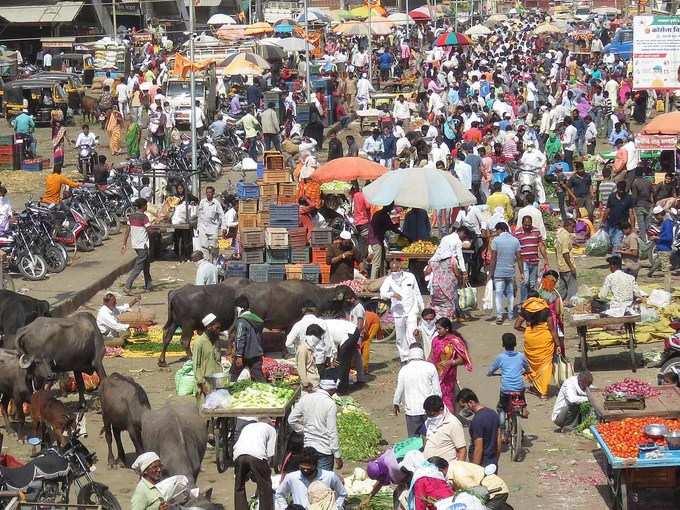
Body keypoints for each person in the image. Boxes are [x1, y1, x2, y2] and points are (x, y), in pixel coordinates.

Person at [288, 381, 343, 472]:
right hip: (324, 449)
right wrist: (337, 455)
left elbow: (291, 420)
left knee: (309, 479)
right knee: (323, 482)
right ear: (332, 390)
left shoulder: (306, 398)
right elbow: (332, 431)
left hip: (308, 447)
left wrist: (303, 430)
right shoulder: (330, 403)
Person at [515, 291, 561, 399]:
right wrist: (558, 344)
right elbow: (551, 328)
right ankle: (544, 392)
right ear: (538, 298)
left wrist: (527, 330)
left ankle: (537, 386)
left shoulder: (525, 309)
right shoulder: (545, 309)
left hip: (531, 340)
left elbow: (516, 325)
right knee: (545, 365)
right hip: (545, 339)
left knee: (533, 365)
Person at [380, 258, 424, 362]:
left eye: (396, 269)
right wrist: (392, 294)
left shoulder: (410, 277)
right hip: (398, 312)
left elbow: (417, 292)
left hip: (412, 310)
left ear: (400, 268)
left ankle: (414, 356)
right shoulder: (389, 280)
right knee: (400, 337)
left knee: (412, 334)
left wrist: (422, 307)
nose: (395, 271)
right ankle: (404, 358)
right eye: (392, 270)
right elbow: (382, 293)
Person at [275, 447, 347, 509]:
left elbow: (343, 494)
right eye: (303, 468)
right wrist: (284, 508)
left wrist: (336, 507)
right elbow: (279, 494)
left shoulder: (330, 476)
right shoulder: (291, 477)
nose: (305, 470)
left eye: (309, 468)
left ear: (316, 465)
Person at [393, 347, 442, 437]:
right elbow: (437, 391)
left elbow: (399, 389)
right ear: (422, 355)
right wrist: (439, 407)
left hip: (412, 411)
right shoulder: (430, 367)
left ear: (409, 356)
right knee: (431, 437)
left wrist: (396, 403)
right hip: (429, 410)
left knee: (413, 440)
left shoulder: (404, 370)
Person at [429, 318, 472, 413]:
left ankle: (450, 418)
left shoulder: (455, 341)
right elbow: (431, 355)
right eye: (436, 329)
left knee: (447, 397)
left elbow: (462, 359)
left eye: (439, 329)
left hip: (449, 376)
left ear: (447, 329)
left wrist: (450, 362)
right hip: (436, 373)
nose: (437, 331)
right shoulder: (435, 340)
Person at [233, 418, 276, 510]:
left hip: (238, 454)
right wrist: (265, 473)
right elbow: (270, 454)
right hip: (257, 455)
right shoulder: (271, 429)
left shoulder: (247, 426)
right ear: (270, 424)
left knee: (239, 486)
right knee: (265, 486)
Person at [488, 333, 530, 416]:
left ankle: (502, 426)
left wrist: (490, 373)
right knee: (521, 392)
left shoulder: (501, 357)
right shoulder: (521, 356)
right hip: (519, 387)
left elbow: (492, 369)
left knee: (501, 407)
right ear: (515, 344)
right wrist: (527, 371)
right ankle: (524, 408)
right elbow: (527, 367)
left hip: (506, 389)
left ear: (503, 344)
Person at [456, 389, 501, 468]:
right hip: (492, 462)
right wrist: (495, 461)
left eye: (463, 406)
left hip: (481, 464)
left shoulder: (477, 421)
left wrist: (474, 469)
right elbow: (499, 440)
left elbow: (478, 448)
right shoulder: (493, 414)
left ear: (471, 402)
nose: (463, 410)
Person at [489, 222, 523, 325]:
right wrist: (521, 272)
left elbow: (493, 259)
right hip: (510, 272)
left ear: (500, 229)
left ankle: (499, 316)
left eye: (496, 230)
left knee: (498, 294)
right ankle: (511, 315)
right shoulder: (515, 240)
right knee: (510, 293)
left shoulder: (496, 241)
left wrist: (490, 273)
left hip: (498, 272)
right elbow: (519, 257)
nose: (496, 233)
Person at [426, 232, 464, 320]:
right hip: (448, 288)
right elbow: (457, 272)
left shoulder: (433, 260)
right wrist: (460, 279)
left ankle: (436, 322)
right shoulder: (452, 260)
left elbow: (427, 272)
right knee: (448, 306)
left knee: (436, 306)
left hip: (435, 288)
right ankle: (444, 325)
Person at [422, 395, 467, 466]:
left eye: (432, 414)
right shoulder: (429, 422)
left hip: (446, 469)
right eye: (427, 413)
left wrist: (457, 470)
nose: (429, 417)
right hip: (429, 467)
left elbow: (462, 450)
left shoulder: (453, 423)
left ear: (441, 409)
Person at [514, 215, 548, 303]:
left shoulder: (536, 231)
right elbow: (516, 249)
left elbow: (541, 245)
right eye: (526, 225)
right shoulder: (517, 233)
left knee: (533, 283)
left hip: (534, 261)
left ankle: (532, 301)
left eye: (529, 225)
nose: (528, 227)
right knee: (525, 282)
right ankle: (524, 302)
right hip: (524, 261)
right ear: (522, 224)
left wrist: (545, 259)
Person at [122, 198, 152, 294]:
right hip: (143, 245)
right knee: (139, 266)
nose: (147, 206)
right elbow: (149, 230)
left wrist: (124, 243)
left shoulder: (131, 216)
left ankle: (148, 285)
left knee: (146, 264)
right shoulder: (144, 217)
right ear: (143, 206)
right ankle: (127, 286)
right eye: (146, 205)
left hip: (135, 244)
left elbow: (127, 230)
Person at [231, 296, 265, 382]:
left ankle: (227, 392)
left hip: (245, 355)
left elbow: (240, 338)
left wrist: (239, 355)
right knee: (258, 377)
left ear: (239, 308)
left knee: (233, 376)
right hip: (256, 354)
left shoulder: (242, 321)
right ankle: (267, 391)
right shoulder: (256, 320)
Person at [325, 318, 362, 393]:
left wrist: (332, 358)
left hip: (349, 333)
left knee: (342, 361)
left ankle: (341, 388)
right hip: (351, 331)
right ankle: (343, 384)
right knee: (345, 361)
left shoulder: (323, 328)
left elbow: (331, 344)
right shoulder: (323, 324)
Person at [191, 313, 222, 394]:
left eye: (220, 328)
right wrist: (202, 384)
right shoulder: (199, 342)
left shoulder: (216, 341)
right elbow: (196, 365)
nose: (219, 330)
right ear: (209, 327)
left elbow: (218, 360)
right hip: (205, 385)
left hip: (217, 382)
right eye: (217, 328)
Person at [603, 181, 635, 254]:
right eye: (620, 189)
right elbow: (607, 210)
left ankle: (615, 261)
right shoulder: (611, 196)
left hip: (622, 226)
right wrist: (603, 222)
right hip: (611, 224)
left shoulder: (628, 198)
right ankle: (615, 260)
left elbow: (631, 213)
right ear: (617, 188)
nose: (621, 192)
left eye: (622, 190)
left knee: (617, 243)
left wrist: (633, 227)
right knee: (611, 241)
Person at [648, 206, 674, 291]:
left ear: (659, 214)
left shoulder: (667, 223)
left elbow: (669, 238)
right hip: (662, 248)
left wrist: (657, 238)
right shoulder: (665, 222)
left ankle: (667, 290)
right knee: (663, 268)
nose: (655, 218)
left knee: (666, 271)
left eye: (656, 216)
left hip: (665, 249)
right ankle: (667, 288)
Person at [197, 186, 225, 260]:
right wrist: (198, 227)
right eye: (207, 192)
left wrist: (223, 227)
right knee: (204, 246)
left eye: (210, 192)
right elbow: (199, 215)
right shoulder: (202, 202)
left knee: (214, 246)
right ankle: (207, 261)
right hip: (203, 227)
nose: (208, 194)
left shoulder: (216, 203)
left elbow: (222, 215)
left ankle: (215, 261)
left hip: (213, 228)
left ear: (213, 193)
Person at [554, 218, 577, 302]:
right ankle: (571, 302)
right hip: (567, 266)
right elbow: (565, 253)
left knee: (562, 287)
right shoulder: (565, 235)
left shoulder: (559, 233)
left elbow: (555, 249)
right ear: (567, 226)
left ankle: (556, 302)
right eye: (572, 226)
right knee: (572, 286)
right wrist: (572, 267)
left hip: (561, 265)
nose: (573, 229)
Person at [296, 324, 325, 390]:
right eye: (319, 337)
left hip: (315, 383)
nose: (319, 339)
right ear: (313, 336)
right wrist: (306, 384)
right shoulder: (303, 349)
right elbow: (301, 368)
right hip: (310, 385)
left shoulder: (310, 347)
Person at [630, 167, 654, 243]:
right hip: (649, 205)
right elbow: (652, 193)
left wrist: (632, 207)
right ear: (643, 173)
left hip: (639, 205)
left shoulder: (635, 182)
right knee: (647, 225)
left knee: (641, 226)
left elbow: (634, 197)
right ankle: (650, 240)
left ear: (635, 174)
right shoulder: (648, 181)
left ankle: (644, 242)